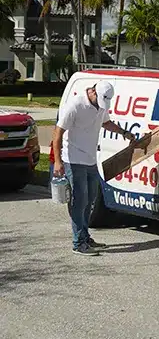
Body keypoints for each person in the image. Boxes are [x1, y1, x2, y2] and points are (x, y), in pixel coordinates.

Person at [52, 81, 137, 256]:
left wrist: (124, 133)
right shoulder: (75, 105)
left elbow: (106, 123)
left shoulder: (101, 105)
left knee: (90, 200)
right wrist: (58, 162)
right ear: (92, 92)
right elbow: (57, 133)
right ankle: (78, 243)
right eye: (100, 101)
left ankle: (85, 237)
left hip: (91, 160)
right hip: (74, 160)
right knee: (79, 201)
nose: (102, 106)